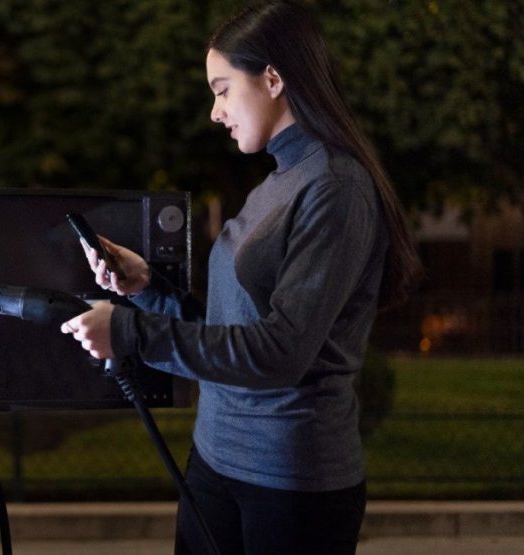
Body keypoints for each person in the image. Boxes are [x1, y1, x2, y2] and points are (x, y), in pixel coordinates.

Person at [59, 1, 422, 554]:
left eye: (222, 88)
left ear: (273, 78)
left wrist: (132, 334)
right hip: (216, 460)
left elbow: (279, 352)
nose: (214, 110)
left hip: (289, 483)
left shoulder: (335, 188)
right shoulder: (279, 181)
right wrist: (150, 290)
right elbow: (236, 326)